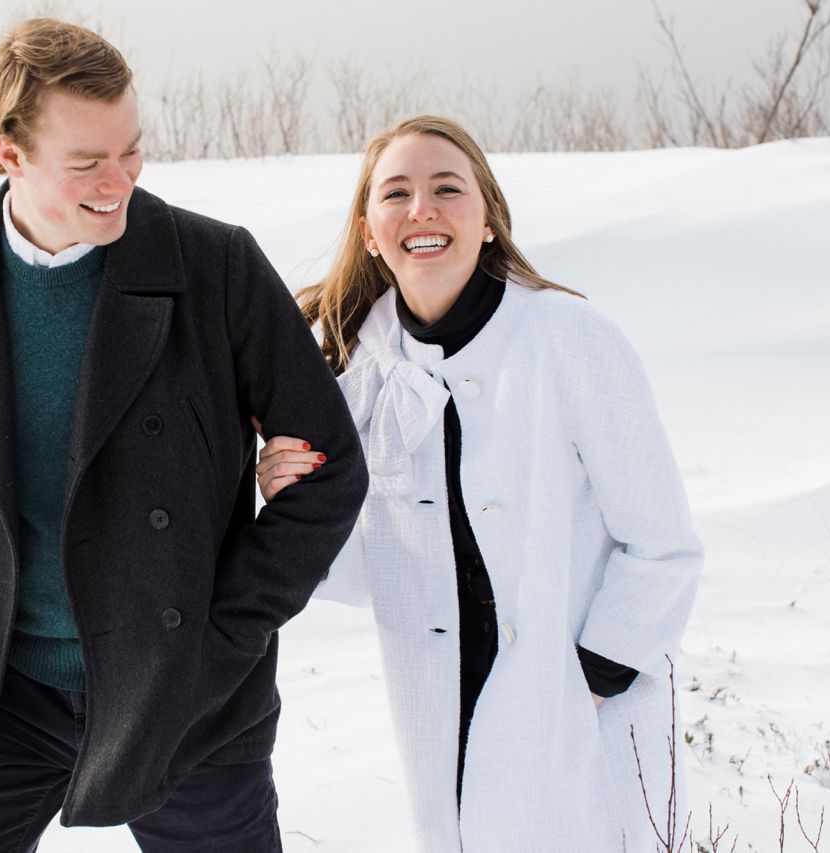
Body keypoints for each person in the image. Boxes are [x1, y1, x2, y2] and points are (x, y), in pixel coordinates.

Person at [0, 18, 367, 852]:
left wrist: (223, 634)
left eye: (131, 149)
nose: (120, 179)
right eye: (88, 161)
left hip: (183, 693)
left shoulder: (215, 267)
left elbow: (331, 470)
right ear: (8, 153)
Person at [257, 115, 702, 852]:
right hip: (441, 712)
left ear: (488, 218)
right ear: (371, 232)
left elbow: (662, 543)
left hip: (579, 711)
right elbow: (376, 571)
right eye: (395, 193)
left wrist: (588, 678)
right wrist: (294, 501)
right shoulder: (357, 376)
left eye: (446, 188)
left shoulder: (569, 338)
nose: (421, 209)